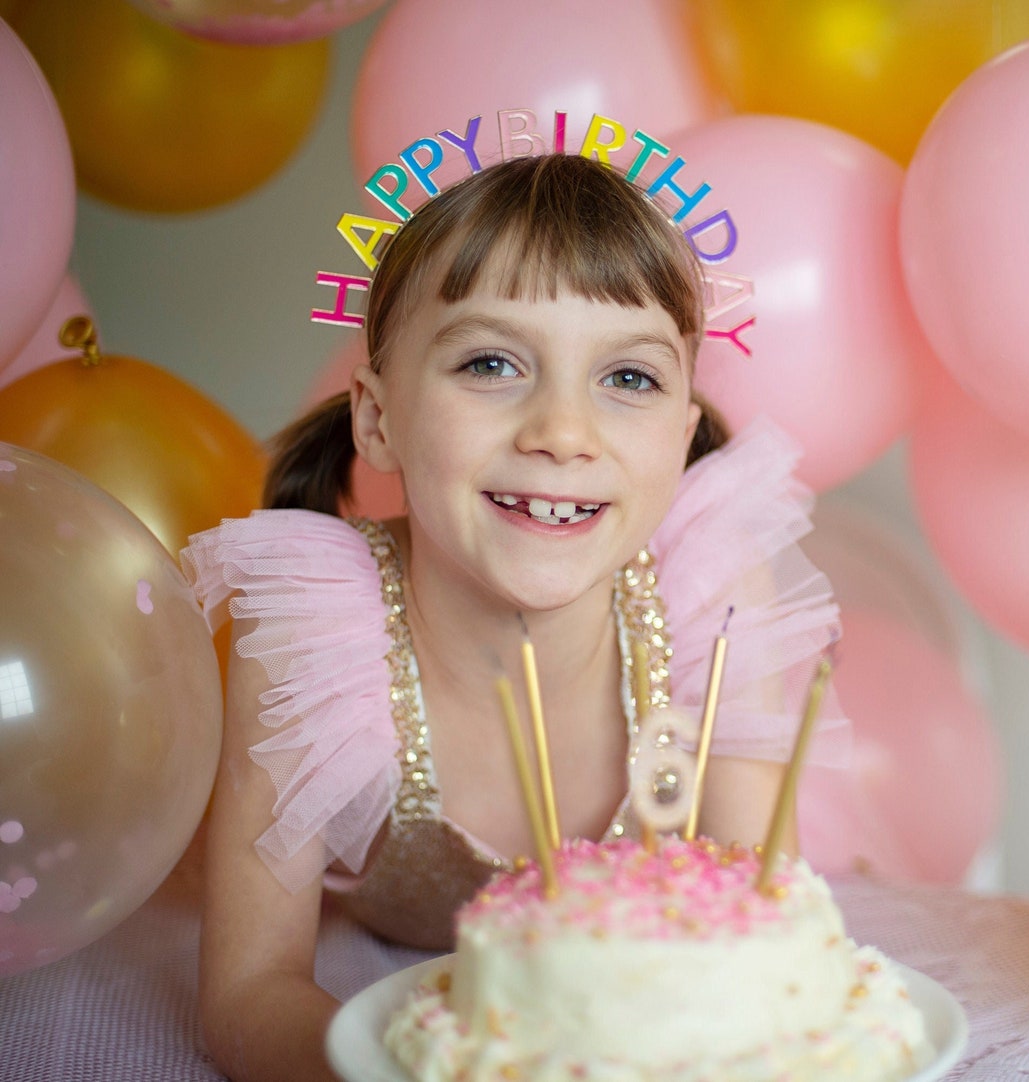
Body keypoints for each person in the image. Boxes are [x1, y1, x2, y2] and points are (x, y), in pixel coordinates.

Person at [181, 152, 847, 1082]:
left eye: (629, 379)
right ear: (377, 420)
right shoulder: (310, 637)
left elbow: (759, 937)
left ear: (685, 433)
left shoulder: (716, 600)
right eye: (491, 363)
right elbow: (248, 993)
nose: (563, 433)